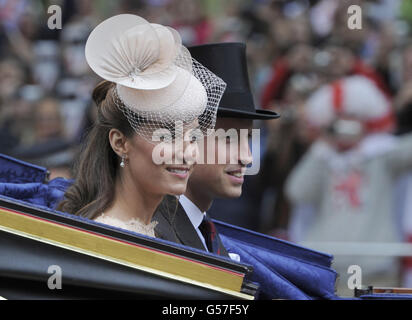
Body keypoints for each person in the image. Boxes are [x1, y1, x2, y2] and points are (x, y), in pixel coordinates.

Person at [57, 14, 225, 237]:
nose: (188, 153)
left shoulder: (157, 231)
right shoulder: (111, 237)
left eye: (193, 137)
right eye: (168, 136)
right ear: (120, 143)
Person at [285, 75, 412, 295]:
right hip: (329, 270)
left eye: (353, 119)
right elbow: (297, 192)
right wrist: (323, 144)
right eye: (341, 121)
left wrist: (400, 108)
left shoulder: (382, 154)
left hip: (375, 268)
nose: (347, 128)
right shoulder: (323, 157)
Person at [154, 42, 279, 257]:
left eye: (248, 139)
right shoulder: (154, 233)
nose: (247, 158)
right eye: (229, 139)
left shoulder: (201, 228)